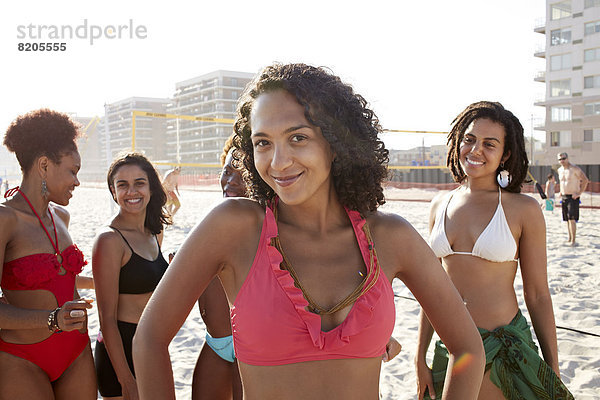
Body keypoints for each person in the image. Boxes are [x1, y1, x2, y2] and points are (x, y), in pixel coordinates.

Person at [133, 63, 484, 400]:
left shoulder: (390, 236)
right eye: (263, 143)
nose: (278, 161)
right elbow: (149, 337)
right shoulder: (235, 228)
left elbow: (468, 348)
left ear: (335, 143)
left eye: (297, 138)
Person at [416, 101, 574, 400]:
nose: (475, 150)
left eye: (490, 144)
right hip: (450, 348)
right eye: (469, 139)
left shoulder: (523, 209)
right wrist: (420, 354)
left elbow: (538, 294)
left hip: (504, 348)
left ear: (506, 154)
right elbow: (432, 290)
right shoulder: (439, 204)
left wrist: (551, 365)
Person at [0, 109, 96, 399]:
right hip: (23, 358)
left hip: (77, 352)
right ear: (44, 165)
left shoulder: (61, 217)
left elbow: (58, 277)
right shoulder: (6, 220)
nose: (77, 181)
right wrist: (53, 319)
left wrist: (111, 281)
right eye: (72, 171)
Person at [92, 152, 171, 399]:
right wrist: (126, 380)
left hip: (153, 347)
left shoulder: (154, 233)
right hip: (121, 353)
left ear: (150, 187)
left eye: (139, 183)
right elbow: (106, 319)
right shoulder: (110, 240)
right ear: (113, 192)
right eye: (122, 185)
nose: (131, 192)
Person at [191, 137, 244, 400]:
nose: (231, 180)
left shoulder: (269, 225)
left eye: (242, 173)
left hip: (253, 346)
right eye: (227, 170)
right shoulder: (209, 224)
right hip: (216, 341)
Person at [557, 152, 589, 246]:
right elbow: (562, 183)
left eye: (563, 158)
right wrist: (560, 191)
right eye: (560, 159)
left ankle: (573, 240)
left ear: (567, 158)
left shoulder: (574, 168)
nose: (562, 161)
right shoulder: (560, 170)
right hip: (564, 197)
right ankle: (569, 238)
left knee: (572, 219)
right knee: (566, 219)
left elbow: (585, 180)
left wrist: (579, 193)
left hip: (573, 196)